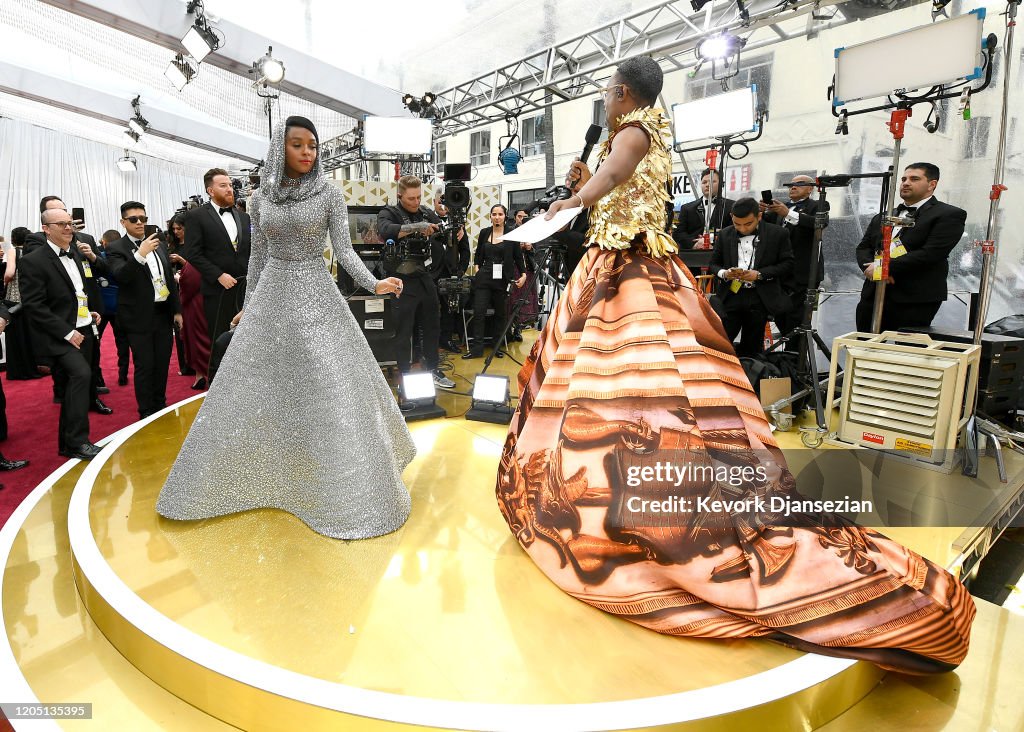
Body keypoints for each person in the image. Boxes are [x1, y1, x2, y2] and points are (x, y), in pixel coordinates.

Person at [496, 56, 974, 674]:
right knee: (630, 385)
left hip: (627, 271)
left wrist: (564, 204)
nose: (605, 103)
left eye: (606, 94)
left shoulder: (635, 130)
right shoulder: (642, 130)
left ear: (620, 92)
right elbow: (611, 180)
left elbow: (611, 178)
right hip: (623, 268)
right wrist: (582, 187)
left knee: (634, 391)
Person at [157, 116, 413, 540]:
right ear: (281, 148)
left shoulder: (330, 193)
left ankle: (339, 480)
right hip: (273, 292)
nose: (308, 153)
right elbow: (257, 258)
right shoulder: (259, 200)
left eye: (313, 145)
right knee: (266, 384)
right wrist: (249, 306)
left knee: (327, 382)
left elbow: (344, 252)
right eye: (298, 145)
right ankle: (270, 469)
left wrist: (374, 282)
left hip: (315, 289)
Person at [19, 208, 104, 460]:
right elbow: (34, 305)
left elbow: (77, 291)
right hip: (59, 335)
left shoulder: (76, 252)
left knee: (74, 383)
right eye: (61, 224)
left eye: (70, 224)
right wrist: (67, 332)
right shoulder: (32, 261)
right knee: (81, 374)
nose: (68, 228)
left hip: (85, 326)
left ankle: (68, 443)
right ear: (46, 228)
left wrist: (89, 312)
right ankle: (78, 441)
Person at [855, 163, 967, 332]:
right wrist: (874, 270)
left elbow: (931, 253)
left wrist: (884, 268)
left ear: (932, 184)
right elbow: (863, 248)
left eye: (914, 179)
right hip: (873, 294)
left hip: (914, 298)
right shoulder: (884, 216)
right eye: (904, 179)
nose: (906, 183)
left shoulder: (948, 214)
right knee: (864, 348)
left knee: (905, 353)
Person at [106, 202, 184, 419]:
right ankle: (146, 412)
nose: (140, 222)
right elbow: (121, 276)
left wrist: (176, 310)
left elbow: (169, 279)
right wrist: (140, 254)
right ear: (123, 222)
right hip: (137, 317)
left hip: (163, 314)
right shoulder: (115, 248)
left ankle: (160, 404)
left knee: (161, 364)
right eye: (134, 219)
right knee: (145, 365)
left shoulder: (158, 245)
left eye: (143, 218)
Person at [376, 176, 453, 388]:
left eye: (419, 197)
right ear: (399, 196)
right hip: (400, 280)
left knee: (432, 326)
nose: (416, 202)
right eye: (411, 198)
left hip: (424, 276)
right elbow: (386, 231)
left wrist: (450, 230)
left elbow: (441, 230)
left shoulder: (426, 212)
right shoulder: (388, 213)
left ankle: (433, 370)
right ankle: (404, 375)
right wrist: (418, 227)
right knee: (403, 331)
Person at [709, 197, 794, 357]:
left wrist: (760, 275)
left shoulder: (778, 233)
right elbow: (714, 264)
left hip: (760, 296)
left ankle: (750, 375)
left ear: (759, 216)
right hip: (731, 294)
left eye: (748, 224)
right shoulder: (726, 234)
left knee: (752, 345)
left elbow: (787, 264)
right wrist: (725, 273)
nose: (742, 229)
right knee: (720, 341)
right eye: (737, 224)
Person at [184, 168, 251, 351]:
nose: (230, 189)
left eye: (230, 185)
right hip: (217, 292)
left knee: (246, 343)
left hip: (245, 291)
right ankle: (216, 379)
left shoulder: (244, 217)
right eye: (223, 186)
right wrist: (218, 275)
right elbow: (193, 253)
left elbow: (251, 252)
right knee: (220, 343)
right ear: (210, 191)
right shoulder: (196, 216)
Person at [761, 175, 827, 336]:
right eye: (791, 184)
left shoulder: (818, 205)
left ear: (811, 189)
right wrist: (760, 212)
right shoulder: (780, 208)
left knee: (797, 317)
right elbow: (765, 229)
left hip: (803, 272)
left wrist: (787, 213)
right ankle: (785, 356)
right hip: (780, 271)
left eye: (799, 184)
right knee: (779, 314)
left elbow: (818, 223)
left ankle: (795, 356)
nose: (793, 187)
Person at [462, 205, 527, 359]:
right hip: (484, 276)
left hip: (503, 277)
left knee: (500, 314)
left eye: (500, 214)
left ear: (505, 216)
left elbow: (518, 256)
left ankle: (496, 347)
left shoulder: (512, 233)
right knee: (479, 312)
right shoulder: (485, 232)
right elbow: (478, 255)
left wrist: (523, 274)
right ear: (490, 216)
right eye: (494, 214)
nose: (497, 217)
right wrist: (478, 269)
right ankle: (476, 349)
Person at [430, 193, 470, 353]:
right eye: (439, 201)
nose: (442, 205)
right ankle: (430, 342)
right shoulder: (427, 221)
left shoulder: (459, 225)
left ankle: (446, 340)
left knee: (450, 310)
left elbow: (465, 251)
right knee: (430, 309)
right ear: (434, 202)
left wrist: (460, 270)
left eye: (445, 202)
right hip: (431, 274)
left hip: (452, 273)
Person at [96, 229, 133, 386]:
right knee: (123, 342)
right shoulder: (125, 258)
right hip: (120, 306)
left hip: (101, 308)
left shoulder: (98, 260)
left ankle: (98, 378)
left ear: (104, 243)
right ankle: (123, 375)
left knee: (95, 344)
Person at [672, 168, 734, 250]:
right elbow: (678, 233)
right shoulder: (687, 208)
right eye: (704, 182)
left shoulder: (731, 206)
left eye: (712, 181)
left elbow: (734, 231)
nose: (707, 185)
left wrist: (712, 242)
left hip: (721, 254)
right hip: (693, 255)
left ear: (721, 184)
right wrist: (695, 244)